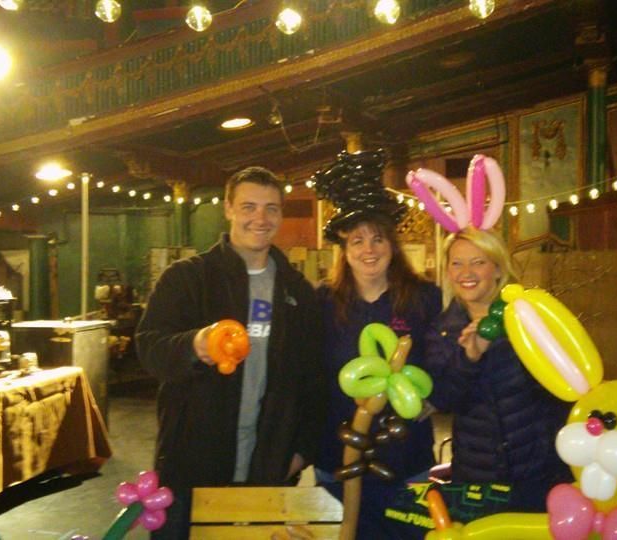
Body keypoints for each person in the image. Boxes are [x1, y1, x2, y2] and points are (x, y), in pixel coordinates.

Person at [135, 166, 326, 539]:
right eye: (249, 206)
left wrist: (302, 450)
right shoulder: (187, 278)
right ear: (228, 209)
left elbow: (313, 380)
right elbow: (150, 348)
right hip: (190, 467)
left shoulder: (298, 292)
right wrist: (195, 345)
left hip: (269, 468)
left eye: (271, 208)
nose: (261, 218)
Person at [312, 150, 442, 538]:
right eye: (357, 240)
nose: (369, 249)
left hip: (407, 458)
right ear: (344, 248)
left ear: (392, 244)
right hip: (336, 458)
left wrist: (434, 399)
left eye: (378, 238)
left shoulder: (423, 298)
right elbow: (308, 374)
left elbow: (442, 362)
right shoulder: (321, 302)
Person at [424, 227, 573, 513]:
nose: (466, 272)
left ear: (497, 268)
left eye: (478, 262)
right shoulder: (443, 329)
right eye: (457, 263)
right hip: (477, 475)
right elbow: (443, 399)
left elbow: (561, 387)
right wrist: (470, 357)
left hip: (539, 472)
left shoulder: (529, 317)